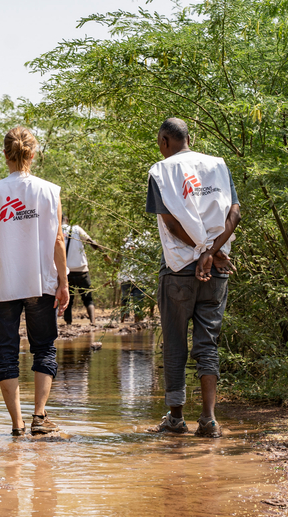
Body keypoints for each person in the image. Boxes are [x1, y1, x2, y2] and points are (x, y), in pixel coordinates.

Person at [0, 126, 70, 436]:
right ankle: (39, 417)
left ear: (5, 154)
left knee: (6, 352)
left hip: (2, 281)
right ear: (33, 154)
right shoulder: (49, 191)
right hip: (39, 281)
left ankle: (17, 425)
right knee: (44, 349)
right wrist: (63, 282)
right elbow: (58, 240)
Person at [146, 118, 241, 438]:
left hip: (177, 270)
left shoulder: (160, 171)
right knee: (208, 343)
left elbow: (172, 225)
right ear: (191, 138)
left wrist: (203, 251)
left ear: (163, 141)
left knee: (175, 343)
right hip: (217, 270)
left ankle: (175, 419)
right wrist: (213, 252)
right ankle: (209, 419)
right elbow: (235, 214)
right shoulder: (218, 165)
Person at [62, 216, 109, 325]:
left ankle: (68, 324)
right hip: (81, 270)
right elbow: (90, 242)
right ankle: (92, 322)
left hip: (66, 271)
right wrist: (104, 255)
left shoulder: (56, 230)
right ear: (67, 220)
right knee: (87, 297)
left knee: (68, 299)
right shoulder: (76, 229)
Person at [117, 232, 156, 324]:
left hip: (133, 277)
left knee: (127, 299)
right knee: (136, 300)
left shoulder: (126, 242)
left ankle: (124, 322)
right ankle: (135, 322)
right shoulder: (146, 242)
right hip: (137, 277)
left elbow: (118, 259)